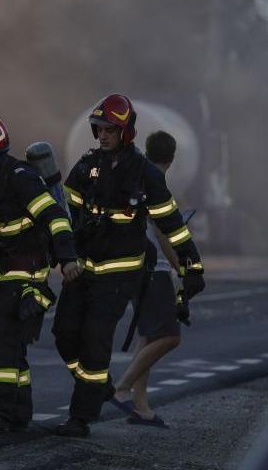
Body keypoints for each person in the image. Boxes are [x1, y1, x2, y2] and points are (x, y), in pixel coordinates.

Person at [53, 94, 206, 438]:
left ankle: (80, 417)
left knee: (95, 339)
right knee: (64, 333)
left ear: (126, 131)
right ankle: (97, 385)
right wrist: (63, 255)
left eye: (110, 129)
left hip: (119, 275)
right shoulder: (86, 165)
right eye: (99, 129)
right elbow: (63, 214)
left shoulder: (145, 174)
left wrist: (192, 266)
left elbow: (172, 225)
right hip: (82, 269)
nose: (103, 135)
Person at [0, 113, 80, 433]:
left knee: (4, 345)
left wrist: (67, 259)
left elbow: (54, 217)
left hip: (24, 278)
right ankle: (20, 409)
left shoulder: (20, 177)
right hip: (0, 276)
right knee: (13, 346)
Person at [110, 130, 186, 428]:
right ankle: (122, 388)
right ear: (172, 158)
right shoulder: (156, 183)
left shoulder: (137, 178)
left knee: (149, 336)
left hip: (134, 267)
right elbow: (162, 234)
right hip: (153, 270)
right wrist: (181, 267)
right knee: (170, 336)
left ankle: (141, 407)